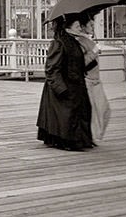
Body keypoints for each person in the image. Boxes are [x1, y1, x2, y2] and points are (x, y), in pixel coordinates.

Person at [37, 12, 94, 151]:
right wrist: (61, 89)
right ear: (68, 27)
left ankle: (79, 140)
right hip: (65, 87)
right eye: (77, 25)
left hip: (76, 85)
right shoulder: (59, 43)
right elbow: (51, 69)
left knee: (81, 111)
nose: (80, 28)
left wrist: (92, 58)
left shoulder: (74, 41)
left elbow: (78, 65)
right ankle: (68, 141)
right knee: (67, 115)